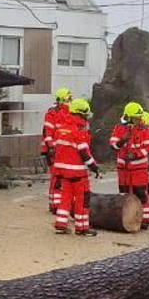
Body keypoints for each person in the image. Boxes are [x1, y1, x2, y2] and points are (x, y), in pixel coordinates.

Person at [51, 98, 100, 236]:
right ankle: (82, 227)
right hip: (78, 174)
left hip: (63, 173)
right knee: (82, 200)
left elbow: (57, 149)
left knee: (65, 198)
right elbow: (84, 152)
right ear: (81, 114)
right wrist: (94, 167)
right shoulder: (80, 130)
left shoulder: (61, 129)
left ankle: (60, 224)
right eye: (85, 114)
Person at [109, 103, 149, 230]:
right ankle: (126, 218)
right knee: (123, 194)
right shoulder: (119, 128)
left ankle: (146, 220)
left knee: (141, 193)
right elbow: (113, 145)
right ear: (128, 117)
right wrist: (122, 140)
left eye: (139, 117)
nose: (138, 120)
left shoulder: (145, 130)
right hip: (123, 169)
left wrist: (135, 155)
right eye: (135, 117)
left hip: (139, 169)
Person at [40, 87, 74, 213]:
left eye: (71, 99)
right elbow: (47, 132)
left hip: (62, 150)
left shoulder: (68, 113)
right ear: (60, 100)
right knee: (56, 176)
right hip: (52, 150)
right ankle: (54, 204)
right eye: (68, 99)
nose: (70, 101)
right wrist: (51, 148)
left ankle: (58, 203)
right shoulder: (51, 113)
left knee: (62, 176)